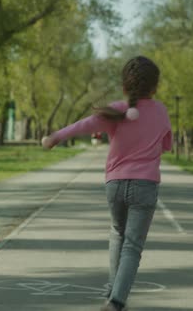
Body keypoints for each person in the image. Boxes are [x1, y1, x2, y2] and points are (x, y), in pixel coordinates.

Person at [42, 56, 172, 311]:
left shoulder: (116, 110)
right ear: (154, 87)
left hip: (114, 184)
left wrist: (55, 137)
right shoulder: (161, 111)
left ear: (125, 86)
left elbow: (84, 125)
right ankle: (116, 301)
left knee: (118, 234)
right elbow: (166, 145)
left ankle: (113, 291)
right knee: (132, 246)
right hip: (145, 185)